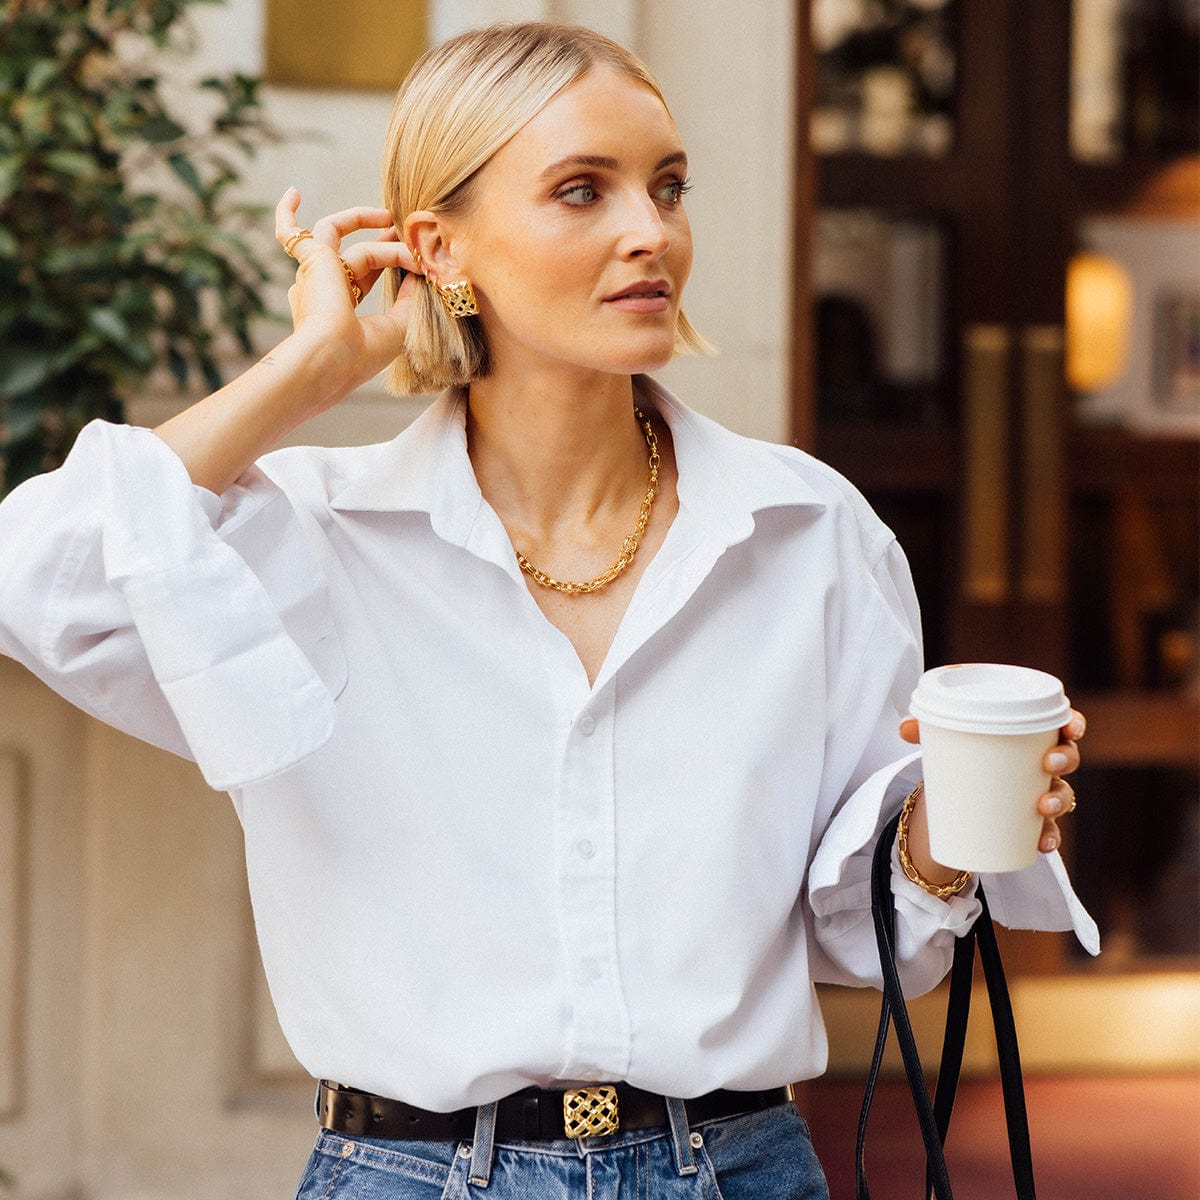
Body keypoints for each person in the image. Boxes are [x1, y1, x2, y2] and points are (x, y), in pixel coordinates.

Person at [0, 21, 1097, 1200]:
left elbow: (865, 938)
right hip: (408, 1175)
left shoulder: (807, 534)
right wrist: (311, 369)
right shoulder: (307, 538)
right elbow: (37, 580)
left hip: (738, 1168)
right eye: (583, 190)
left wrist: (945, 840)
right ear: (440, 246)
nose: (651, 232)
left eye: (667, 187)